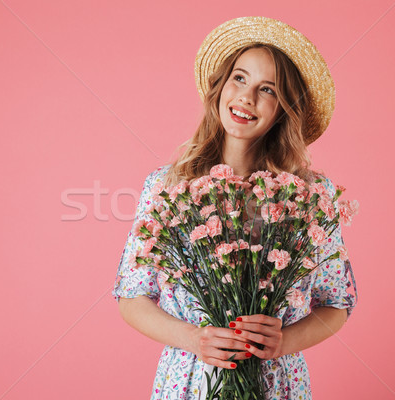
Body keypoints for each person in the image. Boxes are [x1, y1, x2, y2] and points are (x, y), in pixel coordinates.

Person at [112, 16, 358, 400]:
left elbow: (336, 304)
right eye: (239, 79)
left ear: (284, 109)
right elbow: (132, 297)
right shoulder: (168, 186)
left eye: (267, 89)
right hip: (192, 381)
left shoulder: (310, 196)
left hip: (277, 383)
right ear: (220, 87)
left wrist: (283, 342)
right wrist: (195, 339)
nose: (246, 97)